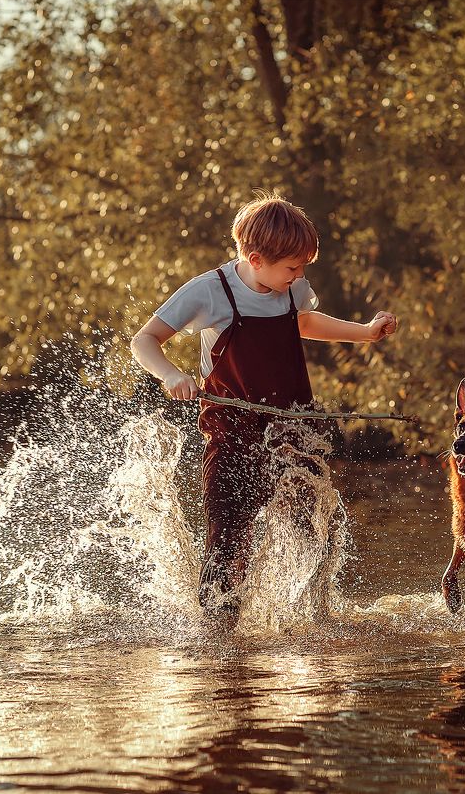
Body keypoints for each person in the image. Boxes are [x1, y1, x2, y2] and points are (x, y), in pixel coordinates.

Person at [130, 191, 397, 626]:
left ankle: (307, 627)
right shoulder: (210, 291)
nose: (300, 275)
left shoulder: (292, 288)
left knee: (311, 530)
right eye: (293, 268)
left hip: (292, 436)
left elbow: (305, 322)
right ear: (255, 259)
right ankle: (218, 637)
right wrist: (171, 374)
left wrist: (365, 333)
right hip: (231, 436)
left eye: (303, 267)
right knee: (228, 541)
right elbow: (144, 340)